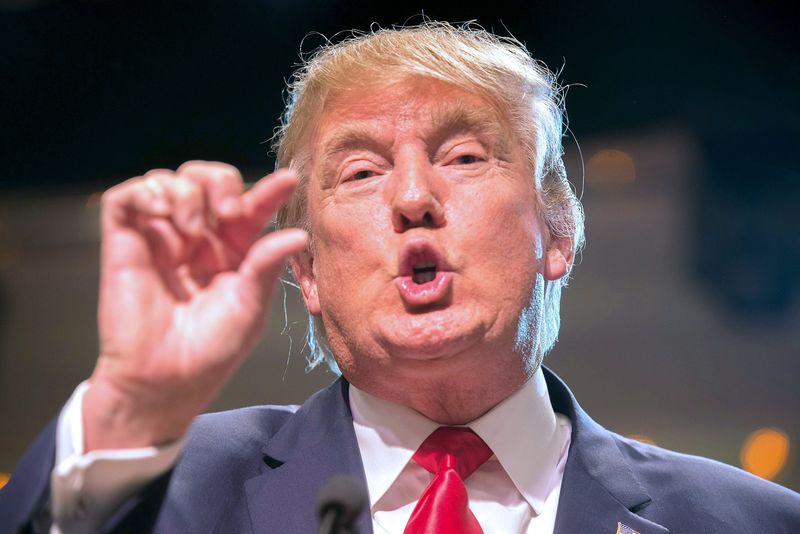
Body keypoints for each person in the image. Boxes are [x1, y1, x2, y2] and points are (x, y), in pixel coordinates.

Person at [1, 21, 798, 534]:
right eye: (359, 172)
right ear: (305, 270)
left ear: (558, 234)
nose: (414, 198)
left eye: (463, 157)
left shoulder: (749, 523)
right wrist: (132, 400)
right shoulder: (165, 497)